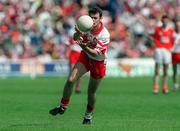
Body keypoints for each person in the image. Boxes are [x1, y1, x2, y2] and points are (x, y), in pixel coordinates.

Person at [49, 7, 110, 124]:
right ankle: (62, 106)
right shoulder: (85, 24)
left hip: (98, 62)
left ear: (101, 19)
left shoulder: (104, 34)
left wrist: (80, 43)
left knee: (91, 92)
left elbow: (94, 52)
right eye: (91, 17)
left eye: (95, 18)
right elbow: (77, 38)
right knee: (71, 79)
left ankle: (88, 116)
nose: (92, 20)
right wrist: (77, 34)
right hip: (86, 56)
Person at [153, 15, 174, 94]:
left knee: (166, 70)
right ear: (162, 21)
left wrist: (171, 48)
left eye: (166, 21)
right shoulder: (157, 29)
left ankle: (164, 86)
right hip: (159, 50)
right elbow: (154, 39)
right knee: (157, 70)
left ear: (168, 21)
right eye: (163, 21)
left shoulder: (171, 30)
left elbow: (173, 40)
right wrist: (155, 48)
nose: (165, 22)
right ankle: (156, 86)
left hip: (167, 50)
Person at [171, 18, 180, 91]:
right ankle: (175, 84)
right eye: (177, 25)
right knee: (174, 71)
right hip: (174, 54)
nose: (178, 26)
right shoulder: (172, 33)